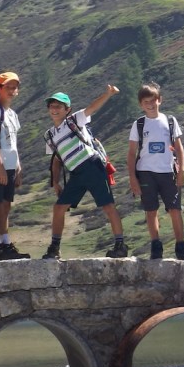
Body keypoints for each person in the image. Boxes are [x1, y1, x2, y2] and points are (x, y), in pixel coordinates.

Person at [43, 85, 126, 260]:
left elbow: (92, 108)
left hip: (91, 166)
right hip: (76, 173)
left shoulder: (74, 120)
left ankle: (120, 245)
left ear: (68, 110)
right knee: (59, 208)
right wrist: (55, 182)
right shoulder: (49, 136)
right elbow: (56, 160)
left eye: (59, 106)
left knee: (108, 205)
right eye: (52, 106)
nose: (54, 109)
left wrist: (108, 93)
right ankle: (54, 248)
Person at [127, 82, 184, 261]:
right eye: (146, 101)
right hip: (146, 172)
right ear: (141, 104)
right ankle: (156, 246)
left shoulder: (170, 121)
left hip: (167, 172)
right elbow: (131, 153)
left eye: (153, 100)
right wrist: (132, 177)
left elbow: (179, 147)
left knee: (175, 209)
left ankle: (181, 246)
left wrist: (182, 169)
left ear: (159, 100)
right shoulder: (138, 124)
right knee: (151, 210)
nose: (150, 104)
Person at [0, 72, 29, 262]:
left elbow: (13, 143)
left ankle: (6, 242)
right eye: (7, 87)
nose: (11, 91)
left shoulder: (12, 114)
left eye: (14, 87)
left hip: (10, 165)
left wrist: (18, 168)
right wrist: (0, 167)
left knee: (6, 205)